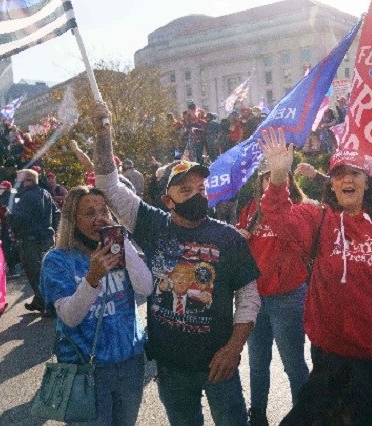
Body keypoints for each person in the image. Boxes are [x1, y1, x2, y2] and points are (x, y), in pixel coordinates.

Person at [90, 101, 261, 426]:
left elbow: (249, 298)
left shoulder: (229, 238)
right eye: (186, 190)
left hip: (219, 364)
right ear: (167, 200)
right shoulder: (152, 224)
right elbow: (108, 186)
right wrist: (103, 133)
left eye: (201, 188)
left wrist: (233, 349)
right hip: (171, 369)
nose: (197, 195)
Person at [258, 128, 372, 425]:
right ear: (332, 184)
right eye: (339, 174)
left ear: (367, 182)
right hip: (332, 359)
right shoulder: (320, 219)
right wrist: (277, 178)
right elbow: (280, 218)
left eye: (355, 173)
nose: (347, 179)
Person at [41, 185, 153, 426]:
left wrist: (123, 245)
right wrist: (92, 278)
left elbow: (146, 288)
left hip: (129, 361)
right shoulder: (58, 260)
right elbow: (70, 318)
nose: (99, 219)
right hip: (86, 368)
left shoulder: (118, 248)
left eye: (103, 211)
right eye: (89, 213)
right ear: (73, 219)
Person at [236, 160, 310, 426]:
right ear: (260, 182)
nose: (271, 182)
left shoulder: (298, 210)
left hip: (287, 296)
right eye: (266, 177)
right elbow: (243, 250)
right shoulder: (249, 210)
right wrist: (239, 236)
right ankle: (257, 414)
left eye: (277, 176)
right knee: (257, 363)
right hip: (255, 298)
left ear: (288, 179)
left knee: (293, 364)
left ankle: (303, 415)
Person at [10, 168, 60, 315]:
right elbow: (57, 213)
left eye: (21, 180)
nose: (18, 183)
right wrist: (52, 230)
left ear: (29, 181)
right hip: (46, 239)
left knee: (34, 272)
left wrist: (12, 223)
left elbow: (20, 218)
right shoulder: (45, 193)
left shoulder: (25, 197)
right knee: (45, 271)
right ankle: (40, 301)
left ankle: (48, 304)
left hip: (31, 240)